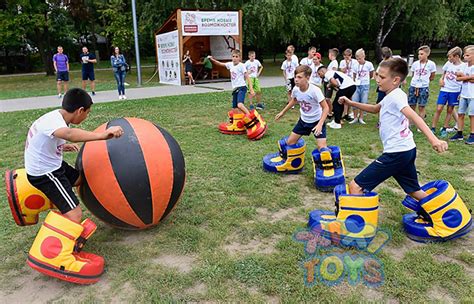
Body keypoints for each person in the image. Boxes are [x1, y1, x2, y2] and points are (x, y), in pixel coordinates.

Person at [338, 58, 448, 201]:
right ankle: (447, 214)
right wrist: (350, 102)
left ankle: (358, 222)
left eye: (382, 77)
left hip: (396, 153)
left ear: (395, 80)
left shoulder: (396, 97)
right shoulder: (393, 94)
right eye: (377, 75)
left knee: (356, 186)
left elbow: (414, 116)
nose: (377, 79)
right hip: (407, 150)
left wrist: (434, 139)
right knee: (414, 191)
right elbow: (375, 109)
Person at [25, 88, 124, 224]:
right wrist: (103, 135)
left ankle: (57, 198)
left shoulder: (57, 117)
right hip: (45, 173)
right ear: (80, 110)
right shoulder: (53, 122)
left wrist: (61, 146)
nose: (86, 116)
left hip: (52, 164)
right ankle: (60, 242)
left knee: (79, 180)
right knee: (75, 215)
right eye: (87, 113)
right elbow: (70, 135)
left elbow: (40, 139)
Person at [275, 65, 329, 150]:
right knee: (289, 143)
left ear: (307, 78)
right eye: (295, 77)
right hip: (303, 121)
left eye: (300, 77)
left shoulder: (315, 90)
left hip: (316, 121)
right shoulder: (296, 89)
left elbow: (326, 108)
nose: (296, 80)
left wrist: (320, 124)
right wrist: (282, 112)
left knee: (322, 148)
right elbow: (294, 100)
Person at [209, 50, 255, 115]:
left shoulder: (241, 66)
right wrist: (212, 59)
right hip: (235, 89)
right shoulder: (230, 64)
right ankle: (241, 119)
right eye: (233, 56)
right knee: (235, 109)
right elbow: (219, 64)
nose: (235, 58)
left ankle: (250, 116)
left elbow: (247, 77)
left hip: (242, 87)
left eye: (236, 57)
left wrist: (251, 89)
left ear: (239, 58)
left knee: (240, 105)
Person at [431, 47, 464, 138]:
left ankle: (444, 128)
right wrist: (441, 79)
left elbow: (463, 80)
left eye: (450, 57)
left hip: (455, 91)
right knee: (439, 108)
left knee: (450, 110)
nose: (449, 59)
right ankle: (433, 128)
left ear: (457, 56)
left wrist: (460, 92)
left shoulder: (463, 66)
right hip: (444, 89)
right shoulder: (448, 63)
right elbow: (444, 73)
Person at [451, 45, 474, 144]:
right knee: (460, 114)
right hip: (463, 94)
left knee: (472, 115)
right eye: (464, 54)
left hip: (472, 95)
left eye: (468, 55)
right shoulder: (464, 66)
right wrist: (468, 77)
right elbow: (457, 77)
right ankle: (459, 132)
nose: (465, 56)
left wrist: (464, 77)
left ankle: (473, 134)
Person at [408, 45, 437, 121]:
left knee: (421, 106)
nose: (419, 56)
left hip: (423, 87)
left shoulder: (431, 64)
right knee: (411, 105)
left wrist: (425, 82)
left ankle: (421, 123)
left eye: (422, 54)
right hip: (414, 86)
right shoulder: (415, 64)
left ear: (427, 54)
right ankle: (411, 121)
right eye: (419, 54)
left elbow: (432, 76)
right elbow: (413, 74)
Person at [350, 48, 375, 125]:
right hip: (356, 85)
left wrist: (367, 79)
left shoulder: (369, 64)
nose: (358, 60)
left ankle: (361, 117)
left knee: (363, 102)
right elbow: (354, 74)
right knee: (354, 101)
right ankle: (355, 117)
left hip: (365, 85)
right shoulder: (355, 65)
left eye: (360, 58)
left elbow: (371, 74)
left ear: (364, 56)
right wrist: (354, 82)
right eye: (357, 59)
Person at [325, 48, 339, 119]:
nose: (328, 56)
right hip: (326, 81)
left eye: (329, 54)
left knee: (327, 98)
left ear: (331, 54)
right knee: (326, 98)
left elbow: (334, 73)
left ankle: (330, 112)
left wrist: (330, 83)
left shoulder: (335, 62)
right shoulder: (331, 62)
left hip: (329, 82)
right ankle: (329, 111)